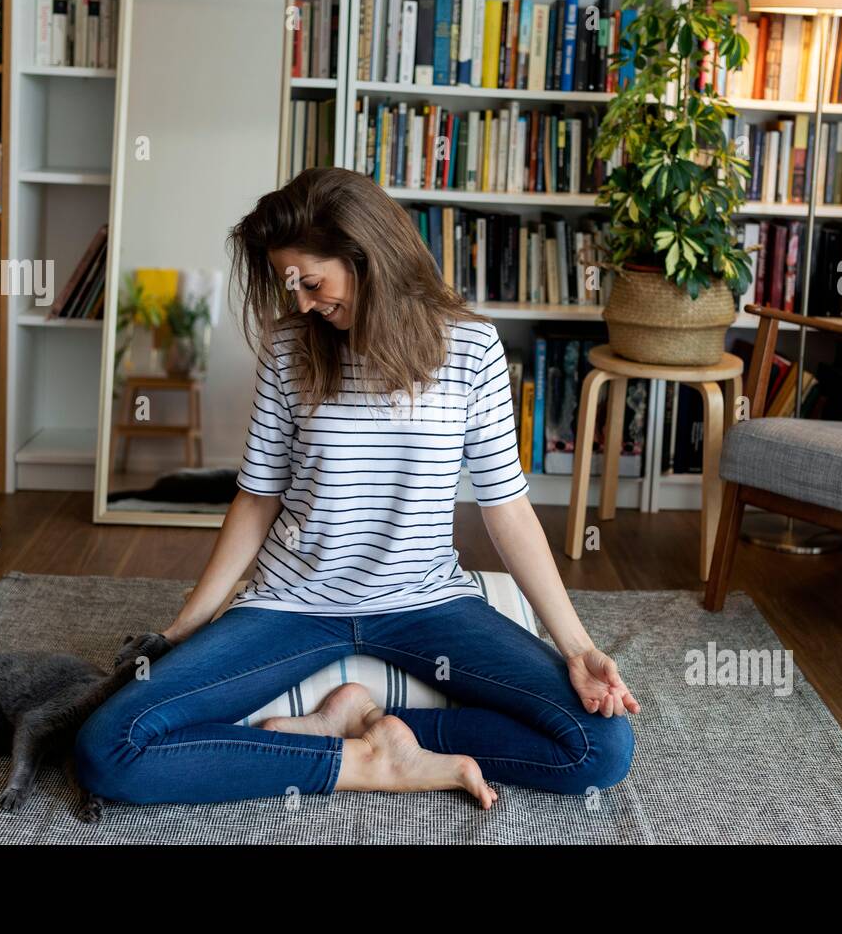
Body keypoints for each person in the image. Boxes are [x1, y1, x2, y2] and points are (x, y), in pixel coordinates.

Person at [76, 168, 638, 809]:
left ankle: (377, 727)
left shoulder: (472, 350)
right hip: (292, 605)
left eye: (312, 283)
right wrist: (185, 627)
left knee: (602, 746)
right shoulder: (291, 347)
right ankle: (362, 759)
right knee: (108, 749)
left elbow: (506, 507)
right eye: (292, 287)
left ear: (366, 256)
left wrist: (578, 647)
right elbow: (257, 497)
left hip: (427, 603)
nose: (305, 303)